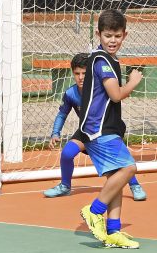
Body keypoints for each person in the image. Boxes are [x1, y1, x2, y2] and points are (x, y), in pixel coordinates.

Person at [78, 10, 143, 249]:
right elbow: (115, 95)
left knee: (115, 178)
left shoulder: (109, 59)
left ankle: (113, 229)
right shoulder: (101, 60)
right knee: (129, 168)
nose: (112, 40)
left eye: (117, 35)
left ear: (124, 35)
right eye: (108, 36)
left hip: (105, 128)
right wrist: (133, 82)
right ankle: (94, 211)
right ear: (99, 34)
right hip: (99, 129)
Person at [43, 52, 147, 201]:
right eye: (77, 73)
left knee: (118, 162)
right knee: (66, 153)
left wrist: (128, 86)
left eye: (84, 73)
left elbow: (118, 94)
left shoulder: (101, 90)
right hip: (86, 131)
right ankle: (65, 186)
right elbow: (62, 114)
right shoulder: (71, 93)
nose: (80, 77)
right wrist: (55, 133)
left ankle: (134, 185)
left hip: (105, 130)